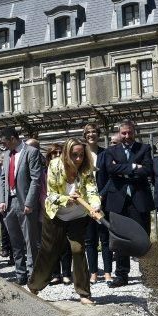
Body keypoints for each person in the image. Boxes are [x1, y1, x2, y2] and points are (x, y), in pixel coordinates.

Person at [28, 138, 101, 305]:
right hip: (56, 214)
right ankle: (34, 286)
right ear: (67, 154)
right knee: (49, 250)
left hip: (78, 216)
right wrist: (66, 199)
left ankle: (83, 293)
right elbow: (51, 194)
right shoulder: (54, 165)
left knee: (78, 249)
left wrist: (95, 206)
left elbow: (92, 190)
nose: (78, 159)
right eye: (74, 155)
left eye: (81, 155)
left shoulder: (86, 168)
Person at [104, 119, 153, 288]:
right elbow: (110, 170)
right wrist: (133, 167)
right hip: (119, 201)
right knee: (120, 239)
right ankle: (121, 275)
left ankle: (147, 273)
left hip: (139, 200)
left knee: (143, 237)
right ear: (119, 133)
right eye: (123, 133)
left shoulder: (144, 148)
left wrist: (122, 169)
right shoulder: (111, 151)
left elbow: (147, 170)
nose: (126, 136)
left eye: (129, 132)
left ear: (134, 132)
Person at [0, 127, 42, 285]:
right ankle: (20, 274)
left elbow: (36, 179)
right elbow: (3, 179)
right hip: (9, 203)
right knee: (15, 241)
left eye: (4, 142)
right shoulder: (6, 156)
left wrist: (30, 202)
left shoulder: (31, 152)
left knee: (30, 241)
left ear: (12, 139)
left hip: (25, 202)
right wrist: (2, 200)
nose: (3, 146)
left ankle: (33, 275)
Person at [82, 123, 111, 284]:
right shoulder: (81, 154)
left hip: (103, 202)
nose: (91, 134)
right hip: (86, 205)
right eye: (88, 132)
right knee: (90, 240)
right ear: (85, 135)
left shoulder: (106, 154)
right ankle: (93, 272)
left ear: (98, 135)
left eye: (94, 132)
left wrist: (100, 197)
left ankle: (107, 272)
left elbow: (110, 178)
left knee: (105, 238)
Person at [40, 143, 71, 284]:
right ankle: (55, 273)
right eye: (54, 153)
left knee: (65, 244)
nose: (57, 155)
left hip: (65, 210)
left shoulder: (67, 171)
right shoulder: (43, 173)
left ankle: (66, 273)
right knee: (52, 244)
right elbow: (42, 193)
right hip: (49, 211)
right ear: (49, 156)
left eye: (60, 152)